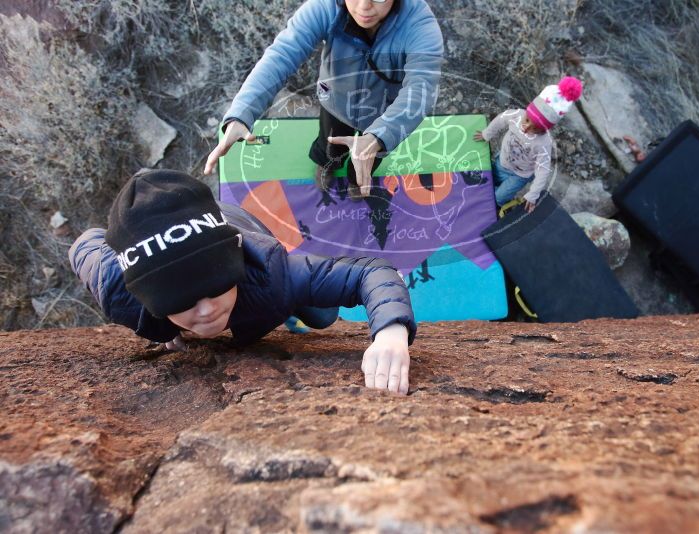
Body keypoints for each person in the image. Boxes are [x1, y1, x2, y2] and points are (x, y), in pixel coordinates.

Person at [69, 170, 416, 394]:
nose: (205, 311)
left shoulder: (274, 274)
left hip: (241, 229)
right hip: (193, 241)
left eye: (217, 284)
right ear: (144, 294)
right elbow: (86, 242)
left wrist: (390, 332)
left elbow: (371, 271)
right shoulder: (118, 288)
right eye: (179, 299)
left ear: (233, 264)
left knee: (322, 317)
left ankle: (286, 308)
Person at [203, 0, 444, 200]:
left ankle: (357, 181)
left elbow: (421, 89)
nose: (364, 7)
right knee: (329, 146)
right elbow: (282, 55)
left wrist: (380, 135)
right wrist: (241, 113)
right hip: (335, 104)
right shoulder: (325, 7)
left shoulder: (420, 26)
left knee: (368, 157)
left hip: (382, 113)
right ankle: (327, 167)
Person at [474, 76, 583, 212]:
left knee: (498, 197)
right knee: (487, 181)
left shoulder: (543, 143)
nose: (526, 127)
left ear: (545, 129)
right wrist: (487, 134)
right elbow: (500, 119)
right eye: (527, 120)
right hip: (502, 161)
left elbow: (542, 170)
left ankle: (499, 207)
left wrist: (533, 194)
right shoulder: (517, 115)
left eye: (535, 128)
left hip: (520, 175)